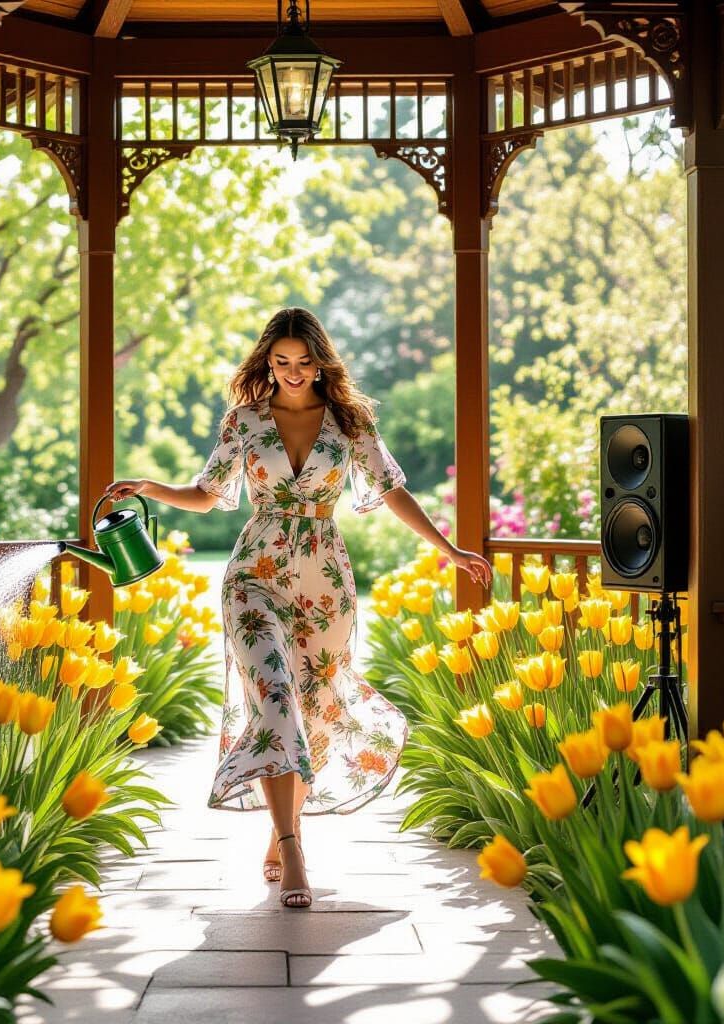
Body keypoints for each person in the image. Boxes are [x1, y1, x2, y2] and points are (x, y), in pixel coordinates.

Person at [104, 308, 492, 909]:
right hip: (254, 576)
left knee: (311, 714)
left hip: (325, 583)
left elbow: (392, 491)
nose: (291, 373)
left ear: (321, 362)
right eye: (280, 362)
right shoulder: (245, 421)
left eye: (303, 362)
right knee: (276, 697)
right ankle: (293, 850)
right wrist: (149, 487)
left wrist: (450, 548)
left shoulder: (350, 422)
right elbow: (207, 496)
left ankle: (280, 828)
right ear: (267, 362)